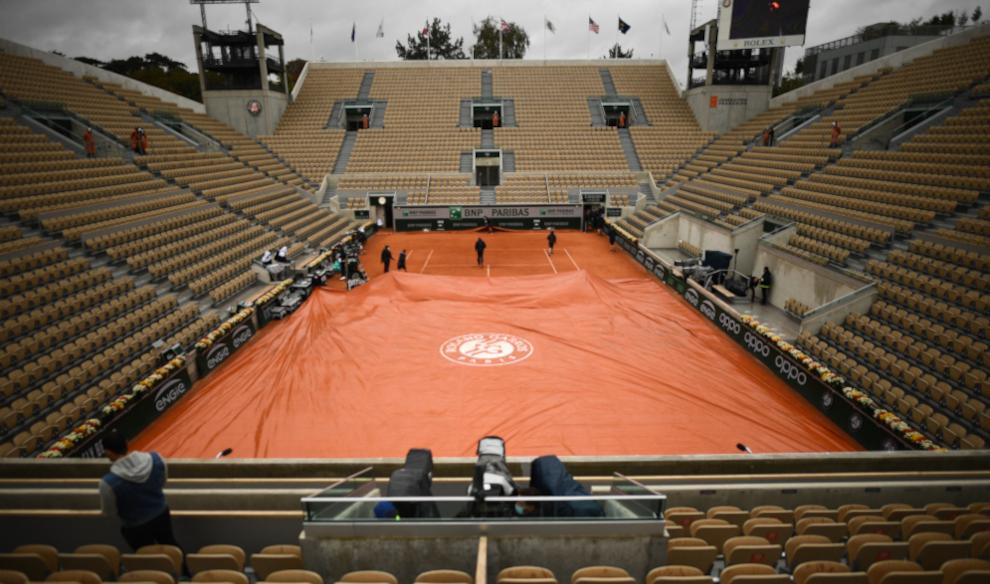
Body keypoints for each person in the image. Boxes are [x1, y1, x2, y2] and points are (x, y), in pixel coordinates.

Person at [99, 430, 184, 553]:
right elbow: (162, 481)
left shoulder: (107, 483)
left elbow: (109, 512)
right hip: (161, 514)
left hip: (135, 526)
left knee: (146, 555)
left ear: (107, 452)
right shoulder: (156, 459)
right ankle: (185, 571)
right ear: (126, 443)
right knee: (171, 544)